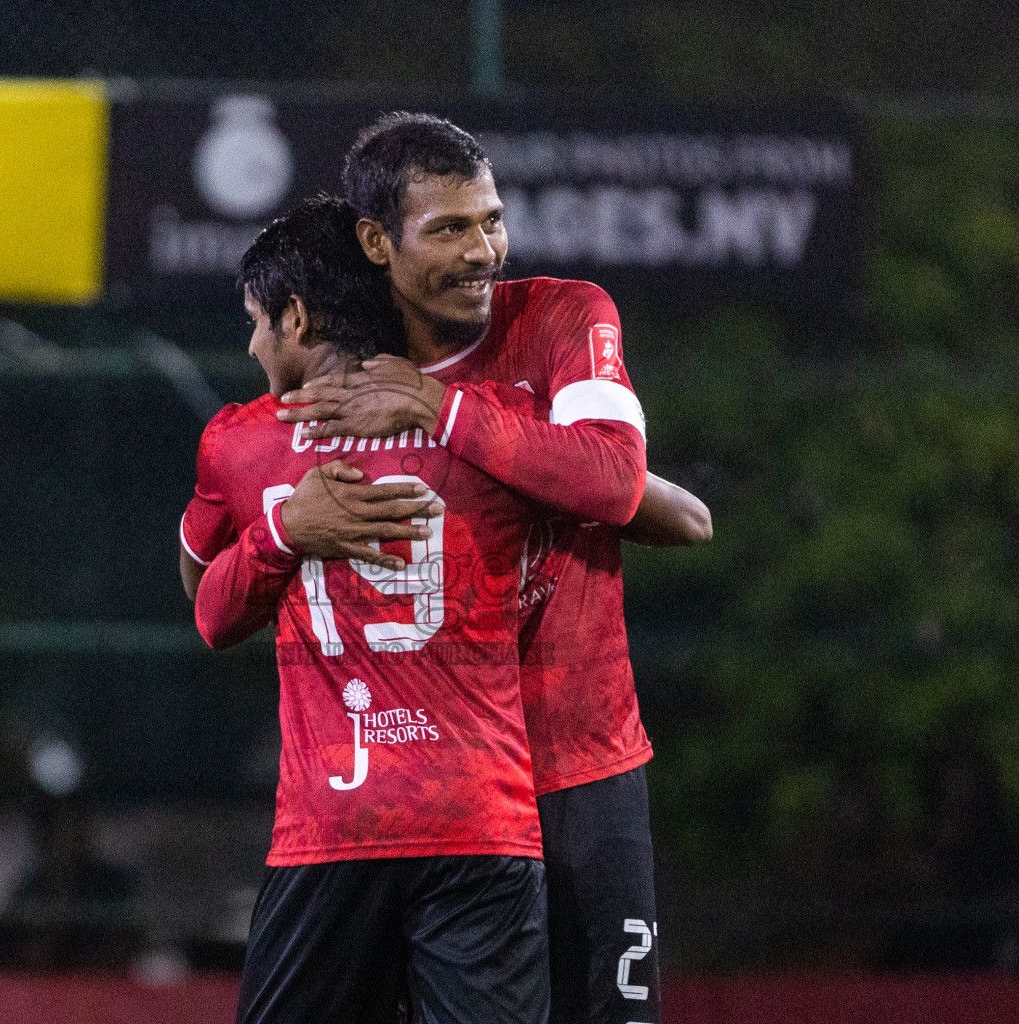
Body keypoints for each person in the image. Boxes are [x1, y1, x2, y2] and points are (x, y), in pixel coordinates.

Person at [274, 113, 712, 1024]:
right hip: (423, 799)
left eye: (492, 221)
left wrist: (441, 409)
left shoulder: (563, 316)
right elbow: (217, 574)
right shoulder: (337, 378)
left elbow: (615, 477)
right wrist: (284, 528)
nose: (484, 251)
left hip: (578, 771)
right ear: (374, 242)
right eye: (450, 228)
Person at [181, 195, 550, 1024]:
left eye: (257, 322)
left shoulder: (244, 442)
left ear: (299, 317)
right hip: (481, 819)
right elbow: (626, 493)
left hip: (335, 827)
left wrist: (282, 528)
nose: (250, 344)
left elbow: (208, 610)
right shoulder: (493, 420)